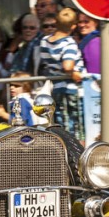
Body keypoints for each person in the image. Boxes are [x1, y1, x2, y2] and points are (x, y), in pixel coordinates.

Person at [37, 8, 86, 139]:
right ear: (73, 26)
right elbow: (68, 65)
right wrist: (74, 74)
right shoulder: (69, 43)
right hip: (72, 89)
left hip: (57, 88)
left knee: (61, 122)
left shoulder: (44, 41)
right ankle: (78, 153)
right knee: (77, 125)